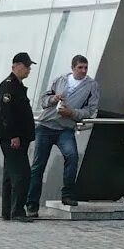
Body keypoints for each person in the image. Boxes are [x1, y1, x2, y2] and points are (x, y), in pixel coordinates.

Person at [26, 55, 101, 215]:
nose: (83, 70)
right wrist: (53, 99)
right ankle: (32, 204)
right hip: (46, 126)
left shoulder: (92, 86)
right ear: (73, 68)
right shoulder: (60, 80)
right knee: (38, 166)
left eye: (85, 68)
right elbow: (44, 99)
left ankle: (67, 194)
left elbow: (90, 110)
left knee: (72, 156)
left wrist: (71, 113)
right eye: (80, 67)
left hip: (65, 129)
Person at [0, 52, 36, 219]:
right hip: (12, 139)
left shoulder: (17, 86)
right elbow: (6, 113)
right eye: (26, 67)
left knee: (10, 176)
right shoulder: (9, 86)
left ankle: (8, 212)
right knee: (21, 174)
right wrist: (13, 135)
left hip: (19, 138)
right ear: (17, 66)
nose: (28, 70)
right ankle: (17, 210)